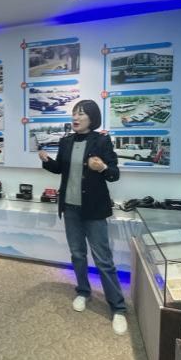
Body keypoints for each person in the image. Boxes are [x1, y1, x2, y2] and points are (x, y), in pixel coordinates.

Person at [38, 99, 128, 336]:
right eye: (74, 113)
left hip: (94, 209)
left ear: (92, 118)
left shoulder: (102, 141)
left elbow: (114, 174)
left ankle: (118, 307)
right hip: (70, 208)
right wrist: (47, 161)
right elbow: (60, 169)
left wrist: (102, 168)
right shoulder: (66, 141)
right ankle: (83, 291)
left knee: (103, 259)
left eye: (81, 114)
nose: (75, 118)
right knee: (77, 254)